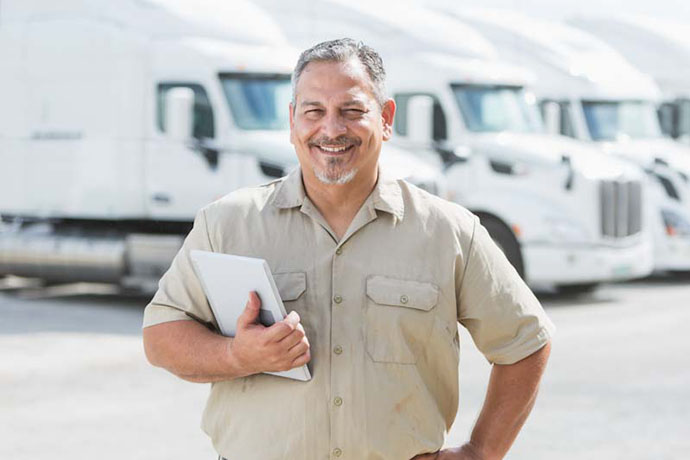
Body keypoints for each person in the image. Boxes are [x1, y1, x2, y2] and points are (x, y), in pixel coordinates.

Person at [142, 38, 555, 460]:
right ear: (292, 121)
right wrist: (236, 355)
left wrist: (481, 452)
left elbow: (526, 340)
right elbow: (161, 336)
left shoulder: (449, 232)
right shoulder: (227, 224)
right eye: (314, 111)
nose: (332, 129)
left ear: (386, 118)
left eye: (352, 111)